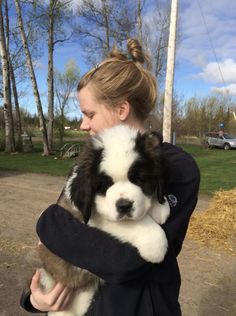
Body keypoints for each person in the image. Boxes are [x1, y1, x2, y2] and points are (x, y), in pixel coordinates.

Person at [20, 38, 200, 316]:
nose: (83, 124)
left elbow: (123, 260)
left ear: (121, 109)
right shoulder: (94, 160)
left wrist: (49, 222)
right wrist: (34, 299)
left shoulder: (176, 165)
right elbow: (58, 237)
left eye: (89, 113)